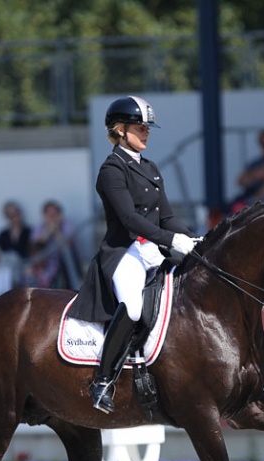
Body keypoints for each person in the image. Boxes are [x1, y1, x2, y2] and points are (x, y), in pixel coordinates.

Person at [68, 95, 198, 414]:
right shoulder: (111, 170)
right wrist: (171, 240)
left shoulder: (151, 168)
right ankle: (103, 380)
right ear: (121, 130)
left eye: (147, 128)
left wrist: (191, 237)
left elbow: (165, 216)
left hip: (151, 249)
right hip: (124, 251)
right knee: (134, 306)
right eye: (141, 128)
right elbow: (130, 219)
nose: (147, 133)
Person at [26, 199, 82, 290]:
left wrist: (56, 231)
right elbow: (35, 246)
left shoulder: (68, 225)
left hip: (64, 262)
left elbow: (67, 243)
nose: (52, 217)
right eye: (49, 215)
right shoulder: (39, 227)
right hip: (46, 262)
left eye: (54, 214)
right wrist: (48, 232)